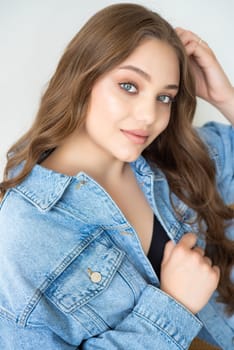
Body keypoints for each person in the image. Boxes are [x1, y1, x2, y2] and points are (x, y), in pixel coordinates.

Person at [0, 3, 233, 349]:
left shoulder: (177, 160)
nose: (149, 115)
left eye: (165, 97)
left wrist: (224, 97)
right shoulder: (24, 235)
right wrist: (175, 305)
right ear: (83, 78)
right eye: (129, 85)